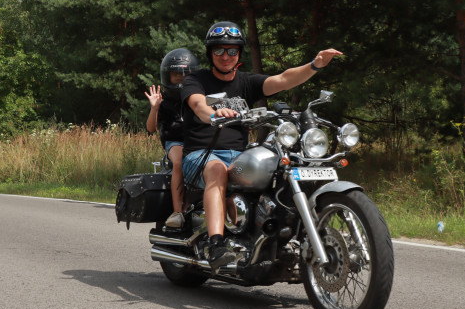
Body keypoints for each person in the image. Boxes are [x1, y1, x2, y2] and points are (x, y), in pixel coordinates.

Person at [181, 21, 343, 271]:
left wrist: (315, 65)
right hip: (201, 156)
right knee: (216, 170)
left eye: (232, 51)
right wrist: (213, 113)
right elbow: (197, 105)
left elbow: (283, 79)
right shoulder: (196, 80)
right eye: (220, 51)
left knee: (278, 166)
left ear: (239, 55)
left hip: (237, 157)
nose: (226, 56)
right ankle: (216, 245)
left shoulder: (247, 82)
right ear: (210, 53)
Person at [145, 48, 199, 229]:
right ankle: (177, 212)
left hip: (198, 140)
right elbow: (150, 128)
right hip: (175, 142)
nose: (181, 78)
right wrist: (154, 108)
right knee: (179, 162)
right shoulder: (164, 101)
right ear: (168, 77)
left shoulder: (198, 97)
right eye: (177, 75)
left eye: (186, 74)